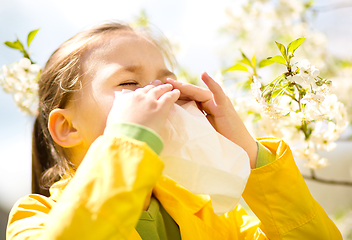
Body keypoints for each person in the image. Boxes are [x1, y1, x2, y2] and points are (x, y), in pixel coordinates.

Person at [6, 21, 342, 240]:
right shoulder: (34, 218)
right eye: (129, 83)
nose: (163, 95)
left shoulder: (219, 220)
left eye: (167, 83)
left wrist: (246, 149)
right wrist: (127, 140)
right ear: (67, 127)